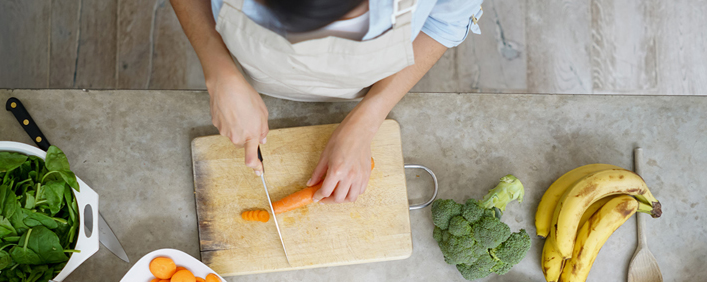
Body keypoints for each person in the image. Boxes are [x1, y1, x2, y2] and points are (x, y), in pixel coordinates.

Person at [170, 0, 483, 203]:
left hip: (366, 86)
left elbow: (441, 24)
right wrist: (218, 70)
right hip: (249, 73)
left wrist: (370, 117)